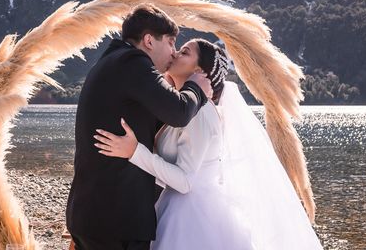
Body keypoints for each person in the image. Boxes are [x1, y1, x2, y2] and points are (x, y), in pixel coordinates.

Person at [94, 39, 324, 250]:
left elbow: (185, 182)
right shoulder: (183, 109)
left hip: (193, 217)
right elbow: (173, 174)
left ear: (199, 71)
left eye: (184, 52)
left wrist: (135, 152)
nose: (174, 54)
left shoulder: (201, 113)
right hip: (177, 206)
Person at [65, 4, 213, 250]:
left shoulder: (112, 61)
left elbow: (157, 120)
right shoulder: (132, 63)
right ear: (149, 41)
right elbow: (178, 112)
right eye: (171, 42)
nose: (174, 53)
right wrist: (196, 88)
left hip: (94, 213)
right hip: (115, 220)